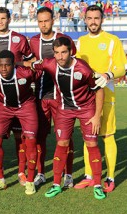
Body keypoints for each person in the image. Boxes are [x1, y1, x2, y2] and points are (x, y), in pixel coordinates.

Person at [31, 37, 106, 200]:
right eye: (57, 53)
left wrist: (97, 116)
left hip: (86, 109)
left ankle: (98, 184)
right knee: (62, 143)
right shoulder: (49, 64)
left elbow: (99, 90)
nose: (60, 56)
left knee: (92, 144)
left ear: (71, 52)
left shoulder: (83, 69)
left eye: (64, 52)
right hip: (65, 109)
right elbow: (31, 64)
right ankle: (57, 184)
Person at [0, 7, 34, 186]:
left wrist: (16, 64)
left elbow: (32, 60)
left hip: (17, 93)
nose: (0, 21)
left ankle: (21, 171)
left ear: (9, 19)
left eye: (3, 18)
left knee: (20, 136)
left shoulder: (19, 39)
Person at [74, 5, 127, 193]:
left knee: (108, 135)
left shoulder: (112, 41)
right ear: (85, 20)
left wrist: (108, 74)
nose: (93, 22)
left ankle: (110, 177)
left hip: (106, 94)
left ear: (102, 19)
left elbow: (122, 67)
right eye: (89, 18)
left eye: (96, 18)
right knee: (88, 136)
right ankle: (89, 176)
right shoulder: (79, 42)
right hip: (85, 97)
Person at [26, 7, 76, 188]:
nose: (43, 24)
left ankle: (68, 174)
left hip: (61, 97)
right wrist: (30, 63)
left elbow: (74, 62)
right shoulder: (33, 41)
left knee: (65, 138)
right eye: (40, 21)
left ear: (53, 20)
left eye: (46, 20)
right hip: (40, 95)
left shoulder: (64, 39)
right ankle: (41, 173)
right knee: (40, 137)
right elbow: (26, 61)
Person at [0, 50, 38, 195]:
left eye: (7, 65)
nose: (4, 69)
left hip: (26, 106)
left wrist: (23, 63)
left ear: (14, 64)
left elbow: (42, 68)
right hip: (4, 108)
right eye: (0, 65)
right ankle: (0, 180)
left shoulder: (26, 73)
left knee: (30, 140)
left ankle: (30, 181)